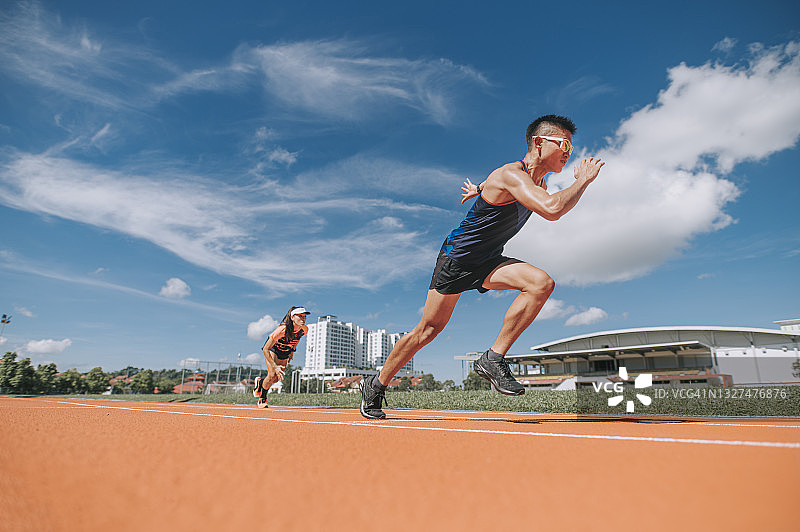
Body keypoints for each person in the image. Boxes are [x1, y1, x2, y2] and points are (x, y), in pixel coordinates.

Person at [359, 115, 604, 419]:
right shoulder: (512, 174)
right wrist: (582, 181)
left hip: (488, 259)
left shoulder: (536, 182)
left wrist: (479, 188)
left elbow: (498, 184)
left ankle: (493, 358)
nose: (569, 153)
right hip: (457, 258)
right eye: (564, 144)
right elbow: (551, 209)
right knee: (428, 330)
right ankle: (375, 385)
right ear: (539, 143)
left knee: (541, 283)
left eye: (571, 147)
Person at [253, 306, 310, 407]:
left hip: (285, 352)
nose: (303, 319)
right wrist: (274, 366)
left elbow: (297, 339)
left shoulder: (304, 329)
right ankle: (262, 399)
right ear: (292, 317)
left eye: (304, 316)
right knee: (272, 374)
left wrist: (292, 351)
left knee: (276, 379)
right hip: (273, 350)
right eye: (300, 316)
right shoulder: (282, 329)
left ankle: (260, 382)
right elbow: (265, 349)